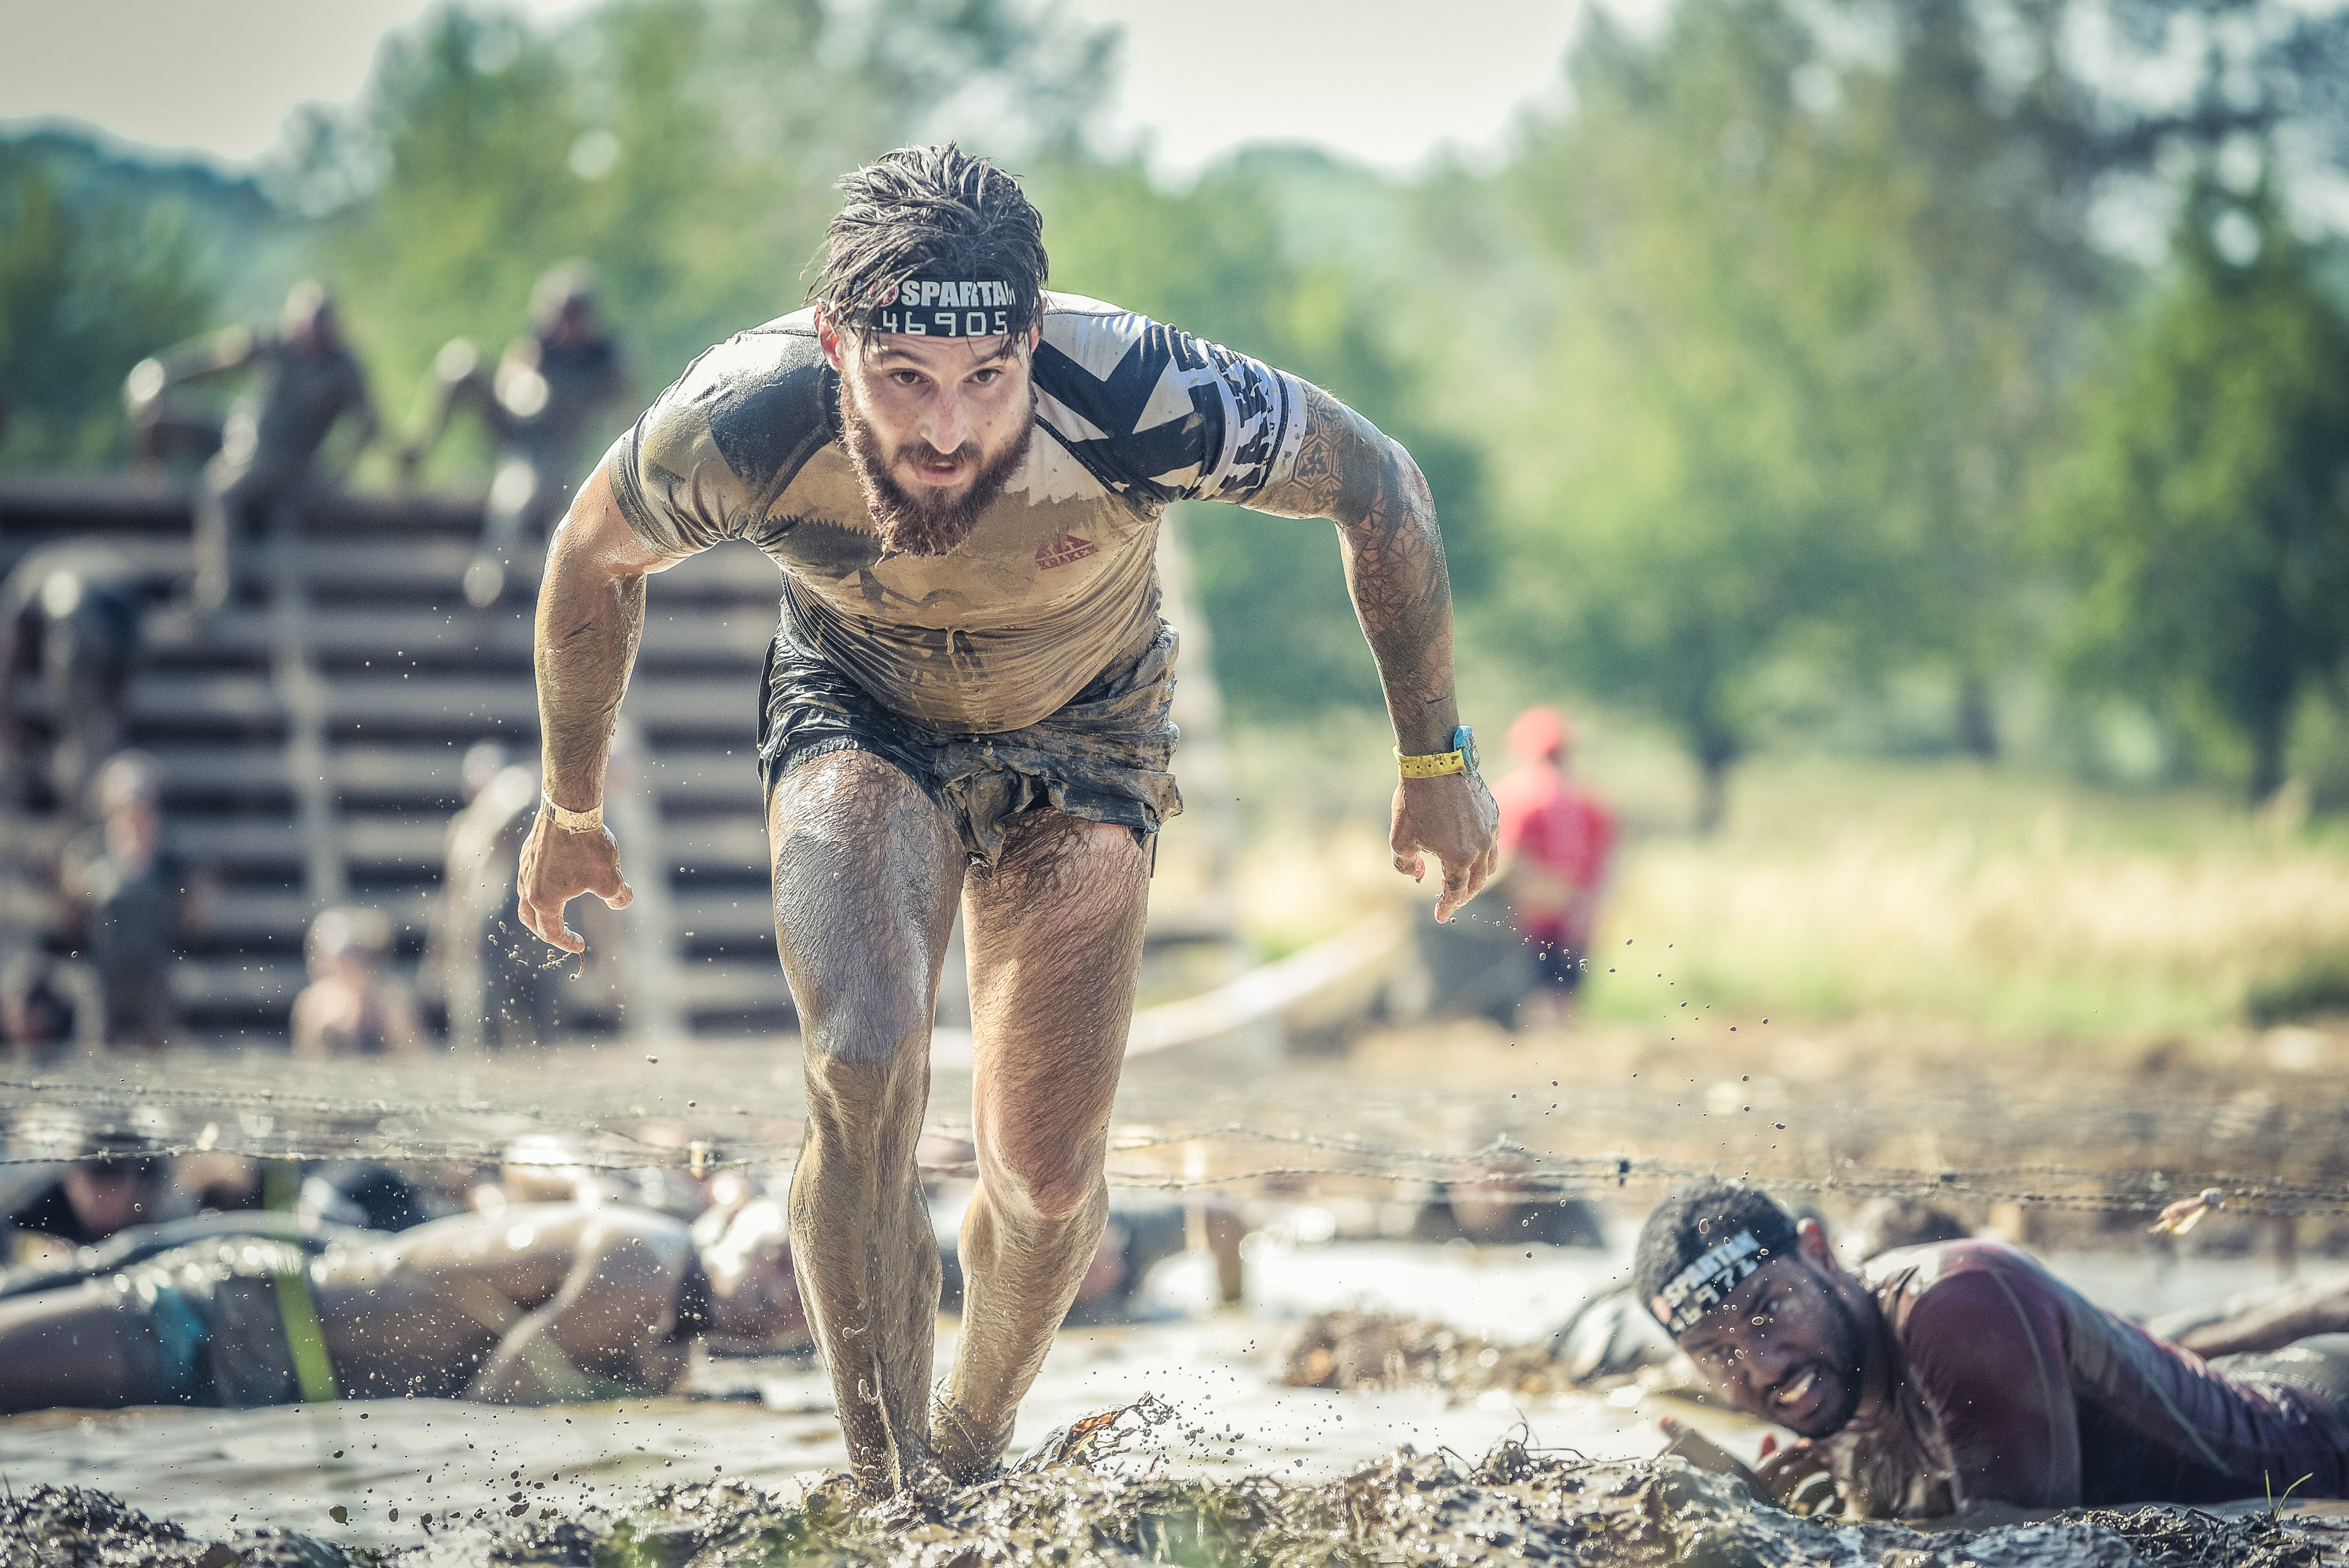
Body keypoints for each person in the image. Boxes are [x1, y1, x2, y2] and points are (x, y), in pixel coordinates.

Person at [514, 144, 1499, 1495]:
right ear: (835, 343)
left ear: (1032, 340)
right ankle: (887, 1484)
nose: (944, 431)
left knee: (1039, 1177)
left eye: (987, 381)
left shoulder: (1145, 392)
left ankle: (968, 1444)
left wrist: (1434, 755)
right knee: (860, 1057)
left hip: (1090, 727)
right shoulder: (743, 413)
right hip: (859, 707)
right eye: (901, 380)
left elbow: (1379, 482)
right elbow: (590, 552)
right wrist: (569, 799)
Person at [1634, 1180, 2349, 1519]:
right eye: (1715, 1352)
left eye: (1767, 1311)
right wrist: (1765, 1508)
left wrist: (1768, 1537)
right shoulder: (1829, 1391)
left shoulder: (1957, 1305)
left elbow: (2016, 1548)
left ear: (1819, 1256)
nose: (1759, 1365)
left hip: (2322, 1433)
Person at [0, 1197, 805, 1412]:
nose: (783, 1297)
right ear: (729, 1217)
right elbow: (496, 1411)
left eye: (806, 1304)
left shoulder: (667, 1329)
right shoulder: (647, 1266)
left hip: (255, 1351)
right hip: (225, 1324)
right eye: (780, 1257)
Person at [124, 281, 378, 617]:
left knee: (221, 489)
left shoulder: (343, 367)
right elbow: (214, 360)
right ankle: (145, 489)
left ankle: (219, 591)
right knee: (161, 418)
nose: (309, 332)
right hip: (241, 436)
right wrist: (162, 375)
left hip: (286, 463)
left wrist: (341, 472)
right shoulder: (272, 342)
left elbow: (368, 427)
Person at [401, 264, 633, 608]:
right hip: (516, 433)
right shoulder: (538, 345)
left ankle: (490, 578)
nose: (561, 324)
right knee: (461, 363)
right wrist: (521, 386)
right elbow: (512, 380)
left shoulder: (607, 361)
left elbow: (628, 417)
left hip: (555, 455)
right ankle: (414, 454)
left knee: (520, 491)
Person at [56, 753, 206, 1049]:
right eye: (127, 807)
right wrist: (71, 894)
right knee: (100, 1054)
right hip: (104, 977)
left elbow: (195, 929)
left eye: (143, 806)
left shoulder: (175, 860)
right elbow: (67, 927)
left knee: (157, 1058)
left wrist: (196, 900)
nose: (135, 814)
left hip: (155, 979)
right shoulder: (86, 855)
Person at [0, 546, 146, 813]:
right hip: (127, 624)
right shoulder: (55, 564)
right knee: (103, 733)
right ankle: (100, 802)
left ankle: (80, 812)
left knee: (78, 739)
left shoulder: (20, 589)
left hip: (80, 622)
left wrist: (11, 725)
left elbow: (10, 653)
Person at [1491, 706, 1614, 1021]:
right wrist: (1585, 910)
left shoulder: (1514, 794)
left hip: (1524, 921)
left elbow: (1506, 863)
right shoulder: (1593, 801)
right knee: (1566, 1002)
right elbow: (1608, 870)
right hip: (1577, 918)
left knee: (1532, 1008)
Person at [288, 906, 425, 1057]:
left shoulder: (392, 1001)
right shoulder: (314, 1003)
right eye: (345, 959)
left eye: (357, 957)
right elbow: (308, 1060)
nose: (351, 967)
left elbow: (415, 1058)